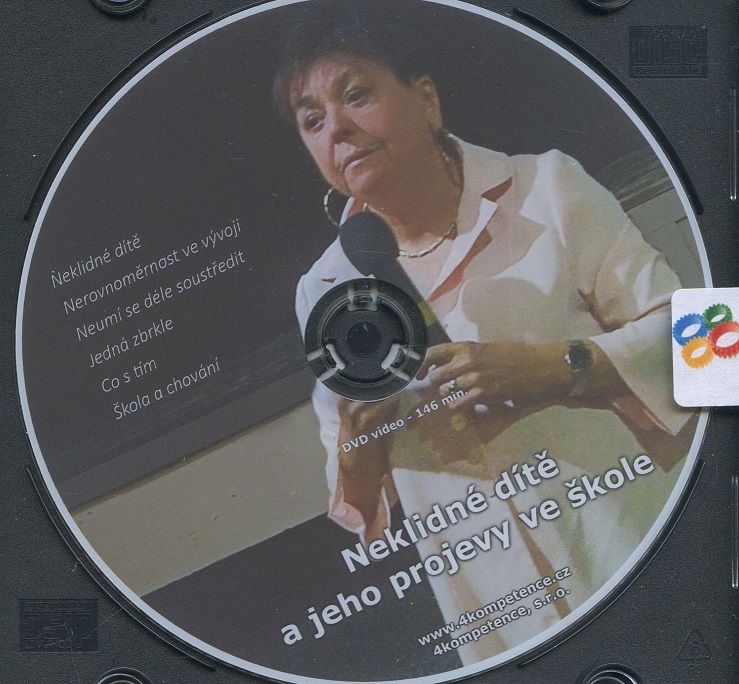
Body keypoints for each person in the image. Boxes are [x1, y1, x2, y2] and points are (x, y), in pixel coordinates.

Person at [276, 0, 698, 666]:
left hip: (627, 546)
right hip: (497, 610)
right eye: (312, 119)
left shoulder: (547, 185)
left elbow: (712, 349)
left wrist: (557, 368)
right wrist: (360, 437)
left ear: (426, 101)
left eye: (356, 95)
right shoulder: (324, 287)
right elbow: (354, 495)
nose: (338, 128)